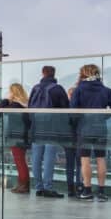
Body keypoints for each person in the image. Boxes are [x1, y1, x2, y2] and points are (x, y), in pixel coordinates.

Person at [70, 63, 111, 201]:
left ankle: (87, 191)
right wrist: (102, 117)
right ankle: (102, 192)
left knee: (85, 159)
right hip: (101, 128)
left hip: (84, 128)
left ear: (83, 74)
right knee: (101, 159)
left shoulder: (79, 89)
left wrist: (78, 122)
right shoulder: (106, 90)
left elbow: (72, 111)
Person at [28, 65, 70, 199]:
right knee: (49, 158)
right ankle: (48, 187)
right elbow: (66, 109)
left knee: (36, 157)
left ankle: (38, 187)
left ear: (43, 73)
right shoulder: (57, 89)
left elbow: (29, 107)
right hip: (52, 127)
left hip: (36, 126)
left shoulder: (35, 88)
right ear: (54, 74)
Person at [0, 83, 32, 194]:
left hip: (16, 136)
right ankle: (22, 184)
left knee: (19, 161)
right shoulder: (25, 104)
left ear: (13, 92)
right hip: (23, 136)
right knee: (22, 161)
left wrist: (6, 99)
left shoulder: (15, 105)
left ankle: (23, 185)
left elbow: (1, 109)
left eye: (10, 92)